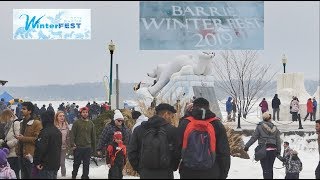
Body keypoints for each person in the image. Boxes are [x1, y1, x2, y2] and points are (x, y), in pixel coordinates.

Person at [177, 97, 230, 179]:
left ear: (193, 107)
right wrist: (223, 174)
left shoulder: (185, 123)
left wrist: (175, 165)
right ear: (208, 107)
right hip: (212, 171)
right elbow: (224, 152)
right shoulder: (217, 124)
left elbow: (177, 148)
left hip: (188, 171)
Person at [128, 103, 180, 179]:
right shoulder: (172, 130)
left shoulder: (139, 129)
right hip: (166, 173)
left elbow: (131, 152)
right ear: (166, 114)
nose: (171, 118)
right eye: (171, 115)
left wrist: (139, 168)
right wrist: (172, 167)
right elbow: (177, 153)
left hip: (145, 172)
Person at [244, 112, 281, 179]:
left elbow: (254, 138)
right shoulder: (275, 128)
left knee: (265, 169)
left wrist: (247, 146)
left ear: (263, 118)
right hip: (273, 151)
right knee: (270, 168)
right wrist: (278, 151)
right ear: (270, 118)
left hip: (263, 150)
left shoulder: (259, 127)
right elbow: (278, 141)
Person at [16, 101, 42, 179]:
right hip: (21, 155)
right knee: (23, 176)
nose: (21, 110)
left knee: (32, 176)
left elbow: (38, 139)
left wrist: (23, 138)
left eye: (24, 109)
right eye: (21, 108)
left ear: (30, 111)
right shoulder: (21, 122)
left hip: (30, 156)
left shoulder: (36, 123)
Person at [33, 110, 62, 179]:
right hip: (55, 163)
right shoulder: (57, 131)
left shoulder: (44, 132)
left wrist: (37, 162)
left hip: (45, 165)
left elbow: (40, 149)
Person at [70, 107, 96, 179]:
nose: (85, 114)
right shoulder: (76, 123)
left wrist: (94, 148)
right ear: (81, 113)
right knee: (76, 164)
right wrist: (72, 144)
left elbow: (93, 137)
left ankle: (85, 176)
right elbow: (72, 134)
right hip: (78, 147)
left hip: (87, 147)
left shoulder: (91, 123)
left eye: (86, 112)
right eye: (83, 112)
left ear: (88, 113)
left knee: (86, 164)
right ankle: (74, 175)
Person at [0, 109, 21, 178]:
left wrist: (7, 144)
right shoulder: (9, 125)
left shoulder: (16, 123)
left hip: (14, 154)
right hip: (9, 154)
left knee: (14, 174)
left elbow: (18, 138)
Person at [54, 111, 70, 177]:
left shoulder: (66, 125)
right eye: (60, 116)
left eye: (63, 116)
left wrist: (69, 145)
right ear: (57, 117)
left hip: (63, 147)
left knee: (62, 163)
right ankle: (53, 175)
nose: (62, 117)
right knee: (55, 163)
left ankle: (63, 176)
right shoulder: (54, 125)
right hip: (54, 148)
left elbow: (68, 137)